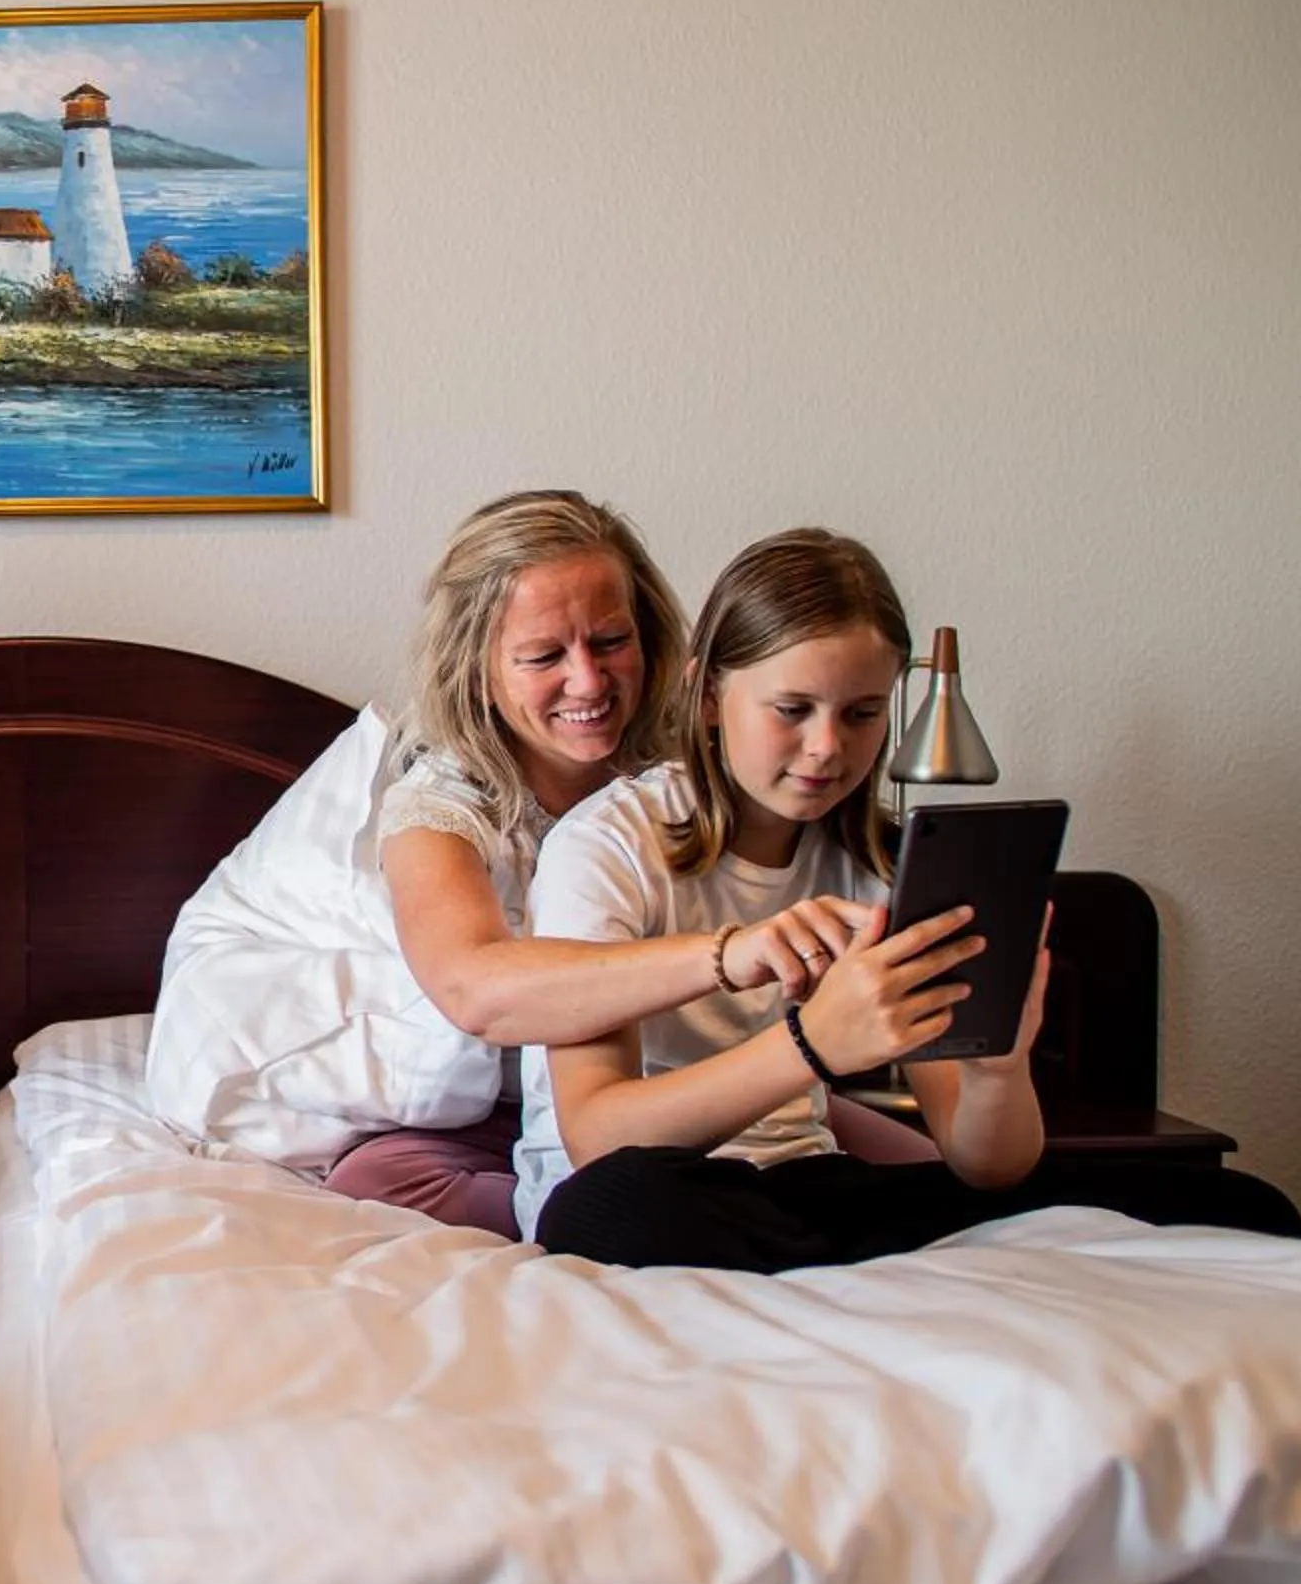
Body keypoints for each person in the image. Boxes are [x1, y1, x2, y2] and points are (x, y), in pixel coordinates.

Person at [519, 527, 1301, 1270]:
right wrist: (811, 1046)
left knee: (1243, 1205)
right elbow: (597, 1135)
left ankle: (876, 1280)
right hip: (650, 1194)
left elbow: (988, 1166)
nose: (828, 747)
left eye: (862, 715)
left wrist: (999, 1067)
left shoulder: (887, 863)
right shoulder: (607, 848)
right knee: (608, 1206)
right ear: (707, 696)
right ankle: (895, 1279)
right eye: (792, 711)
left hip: (809, 1196)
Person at [195, 490, 871, 1233]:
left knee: (876, 1152)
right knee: (384, 1177)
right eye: (544, 656)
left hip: (624, 1078)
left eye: (611, 641)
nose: (588, 682)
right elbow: (475, 989)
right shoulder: (441, 805)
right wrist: (729, 956)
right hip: (479, 1081)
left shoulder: (677, 769)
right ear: (480, 669)